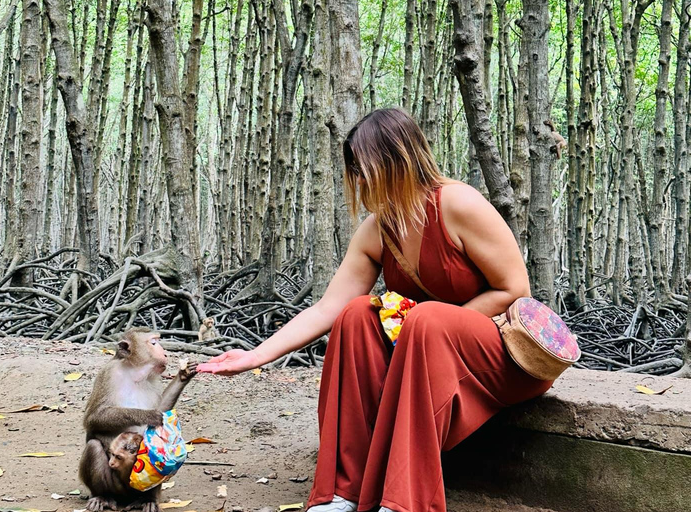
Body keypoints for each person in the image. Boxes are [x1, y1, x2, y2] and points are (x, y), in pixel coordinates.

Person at [197, 108, 553, 512]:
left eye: (363, 168)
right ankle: (343, 492)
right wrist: (254, 356)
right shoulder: (377, 230)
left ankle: (403, 503)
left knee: (424, 318)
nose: (358, 180)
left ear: (396, 161)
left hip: (498, 358)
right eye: (354, 170)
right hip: (424, 355)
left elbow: (514, 289)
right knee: (356, 315)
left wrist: (432, 329)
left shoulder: (458, 204)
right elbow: (327, 308)